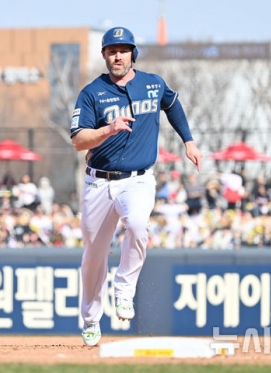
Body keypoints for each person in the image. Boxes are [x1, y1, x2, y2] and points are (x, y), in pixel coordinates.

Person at [70, 26, 202, 347]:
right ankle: (90, 319)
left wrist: (189, 140)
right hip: (98, 182)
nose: (118, 55)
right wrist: (107, 129)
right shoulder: (92, 92)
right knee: (93, 256)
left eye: (123, 49)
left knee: (139, 224)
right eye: (111, 50)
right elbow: (77, 140)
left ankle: (124, 291)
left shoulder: (152, 84)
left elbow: (172, 105)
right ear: (104, 55)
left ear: (133, 53)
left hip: (139, 179)